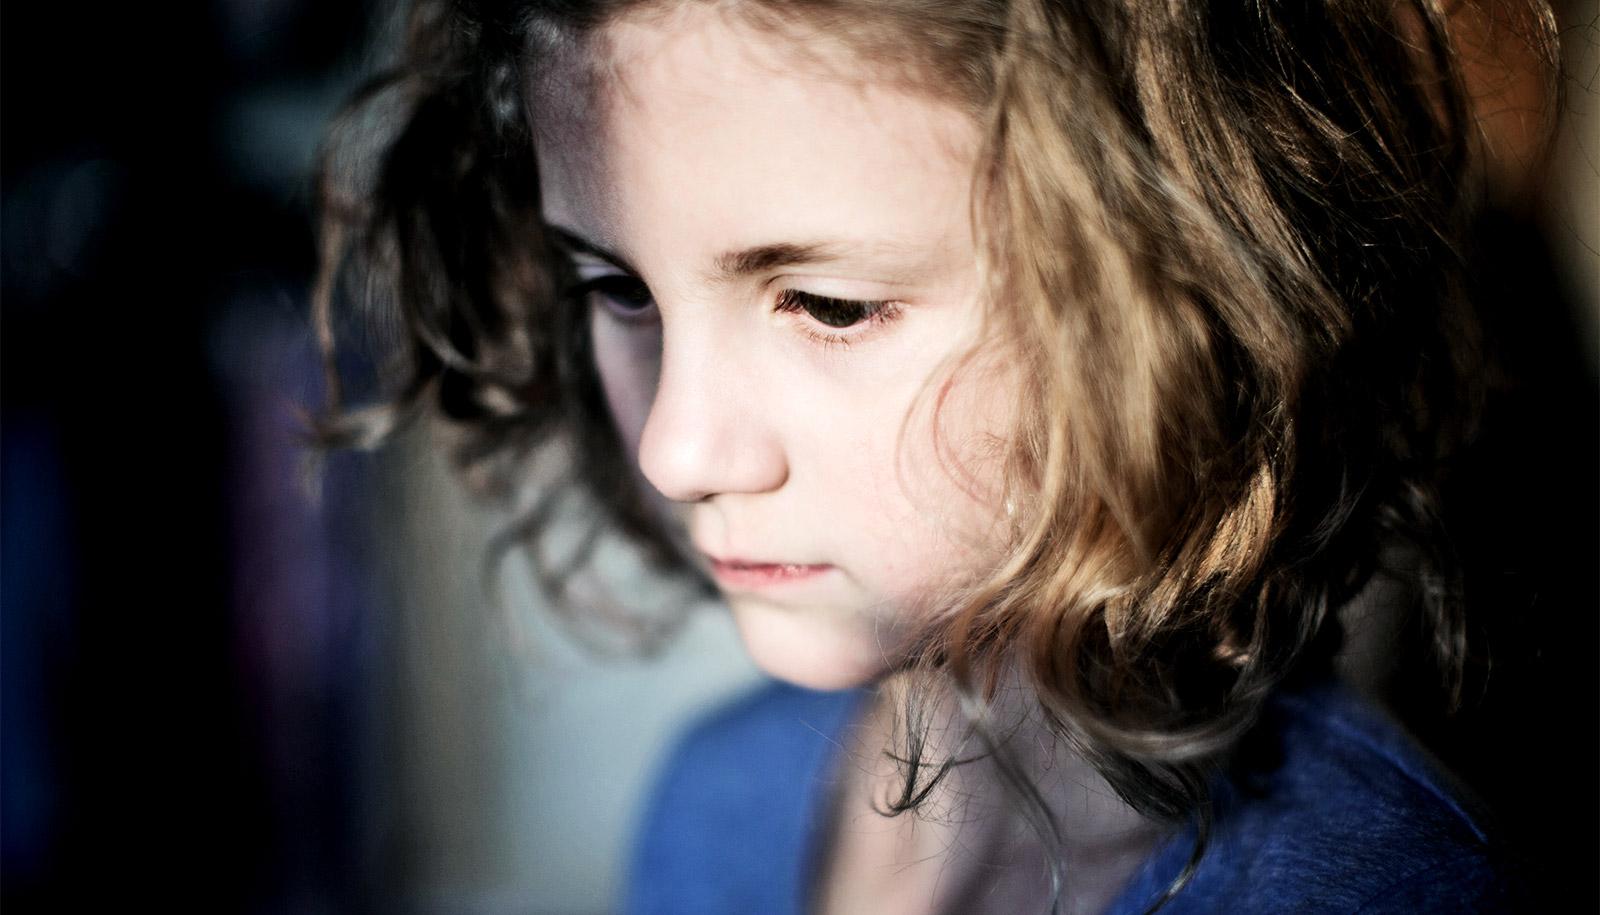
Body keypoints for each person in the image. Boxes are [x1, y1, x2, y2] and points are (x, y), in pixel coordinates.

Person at [311, 0, 1561, 911]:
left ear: (1181, 287)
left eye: (832, 306)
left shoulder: (1373, 892)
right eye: (617, 286)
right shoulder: (720, 807)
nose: (677, 446)